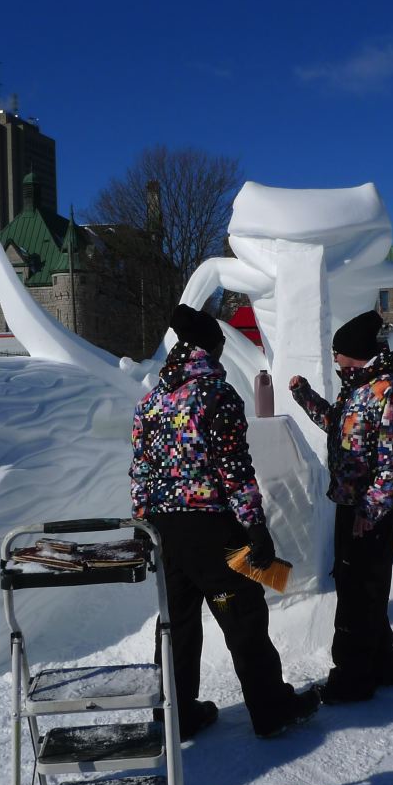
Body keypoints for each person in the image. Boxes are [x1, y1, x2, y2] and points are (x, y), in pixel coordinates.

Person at [130, 304, 319, 740]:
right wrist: (256, 527)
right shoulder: (217, 393)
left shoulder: (151, 401)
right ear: (212, 350)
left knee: (176, 624)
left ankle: (176, 715)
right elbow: (234, 469)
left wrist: (143, 526)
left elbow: (139, 470)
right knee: (244, 614)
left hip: (163, 528)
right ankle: (272, 708)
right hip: (212, 527)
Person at [289, 310, 393, 704]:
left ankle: (352, 678)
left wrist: (370, 510)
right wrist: (304, 395)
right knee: (363, 589)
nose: (335, 359)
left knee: (358, 592)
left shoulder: (389, 391)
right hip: (351, 504)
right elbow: (337, 423)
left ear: (354, 354)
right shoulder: (359, 389)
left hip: (370, 511)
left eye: (338, 353)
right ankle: (382, 666)